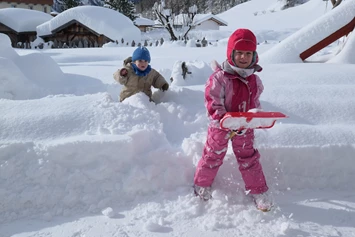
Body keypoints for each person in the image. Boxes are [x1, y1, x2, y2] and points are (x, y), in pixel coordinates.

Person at [193, 28, 273, 212]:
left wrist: (253, 117)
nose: (243, 57)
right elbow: (213, 102)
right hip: (220, 126)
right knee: (212, 155)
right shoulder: (220, 78)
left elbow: (255, 103)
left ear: (254, 55)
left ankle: (259, 191)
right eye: (239, 53)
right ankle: (202, 184)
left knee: (249, 158)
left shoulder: (254, 80)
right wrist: (224, 120)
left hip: (244, 126)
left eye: (248, 53)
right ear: (231, 53)